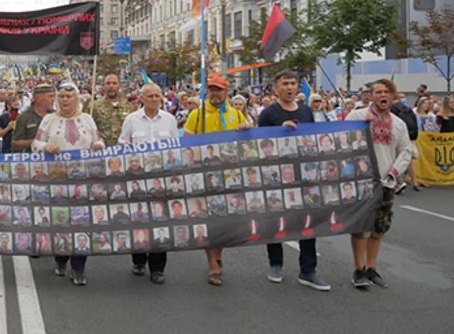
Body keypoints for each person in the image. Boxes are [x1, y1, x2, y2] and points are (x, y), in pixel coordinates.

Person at [257, 71, 330, 291]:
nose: (290, 87)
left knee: (308, 222)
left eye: (293, 83)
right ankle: (276, 263)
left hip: (304, 175)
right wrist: (280, 132)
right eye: (285, 84)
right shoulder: (268, 113)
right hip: (277, 177)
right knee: (277, 220)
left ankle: (308, 270)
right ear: (276, 88)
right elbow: (261, 145)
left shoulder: (307, 110)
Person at [32, 83, 105, 286]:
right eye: (62, 96)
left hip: (83, 181)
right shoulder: (49, 120)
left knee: (82, 223)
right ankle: (61, 258)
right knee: (61, 222)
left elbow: (98, 141)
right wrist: (46, 146)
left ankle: (79, 268)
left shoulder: (87, 119)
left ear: (77, 99)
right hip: (57, 181)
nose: (65, 100)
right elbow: (35, 144)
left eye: (69, 96)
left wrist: (98, 145)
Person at [184, 74, 250, 286]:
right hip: (205, 177)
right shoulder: (197, 114)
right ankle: (213, 263)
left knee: (226, 220)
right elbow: (186, 144)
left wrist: (246, 130)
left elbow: (247, 145)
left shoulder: (236, 115)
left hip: (230, 177)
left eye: (219, 89)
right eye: (212, 89)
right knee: (210, 220)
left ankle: (218, 253)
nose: (215, 93)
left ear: (226, 91)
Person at [345, 79, 412, 288]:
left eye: (387, 92)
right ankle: (358, 269)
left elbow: (406, 150)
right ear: (370, 96)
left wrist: (394, 172)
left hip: (386, 181)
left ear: (392, 97)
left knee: (379, 227)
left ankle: (372, 267)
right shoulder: (356, 116)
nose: (383, 95)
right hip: (363, 180)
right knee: (361, 228)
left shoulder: (398, 124)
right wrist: (359, 128)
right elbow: (342, 140)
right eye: (378, 92)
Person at [117, 83, 178, 284]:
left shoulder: (169, 120)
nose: (153, 99)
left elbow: (175, 147)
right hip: (138, 181)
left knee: (160, 221)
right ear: (141, 98)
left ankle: (158, 267)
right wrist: (125, 148)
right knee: (140, 220)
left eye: (157, 96)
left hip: (161, 180)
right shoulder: (131, 120)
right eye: (149, 96)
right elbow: (122, 142)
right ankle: (139, 260)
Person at [91, 74, 134, 147]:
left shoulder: (129, 107)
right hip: (102, 150)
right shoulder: (94, 106)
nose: (111, 86)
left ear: (120, 86)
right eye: (108, 83)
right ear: (104, 86)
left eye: (114, 83)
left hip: (123, 150)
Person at [11, 84, 55, 152]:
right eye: (50, 96)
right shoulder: (24, 117)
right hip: (32, 159)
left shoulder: (56, 115)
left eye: (53, 96)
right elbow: (15, 143)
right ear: (39, 99)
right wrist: (38, 143)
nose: (53, 99)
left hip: (54, 159)